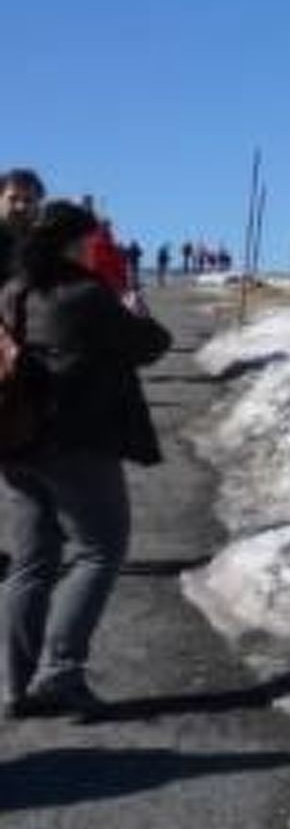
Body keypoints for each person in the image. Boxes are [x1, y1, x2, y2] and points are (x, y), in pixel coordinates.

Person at [0, 200, 172, 717]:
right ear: (74, 242)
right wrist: (137, 311)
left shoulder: (13, 291)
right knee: (100, 550)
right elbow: (149, 345)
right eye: (90, 240)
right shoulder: (86, 294)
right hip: (75, 441)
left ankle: (13, 685)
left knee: (31, 563)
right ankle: (60, 673)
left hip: (16, 439)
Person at [0, 170, 44, 281]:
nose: (21, 207)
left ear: (38, 204)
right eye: (13, 199)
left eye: (28, 200)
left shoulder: (43, 244)